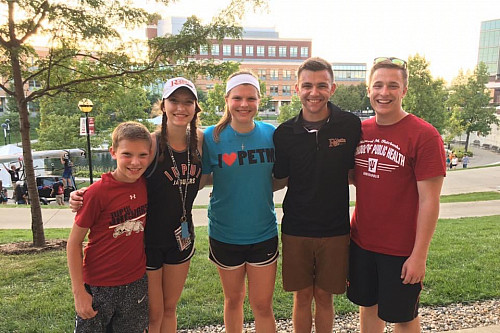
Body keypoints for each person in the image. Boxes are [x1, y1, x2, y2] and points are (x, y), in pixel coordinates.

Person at [70, 77, 204, 333]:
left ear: (196, 107)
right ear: (163, 104)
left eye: (188, 102)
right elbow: (125, 174)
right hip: (148, 241)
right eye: (174, 100)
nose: (181, 108)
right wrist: (84, 193)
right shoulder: (150, 144)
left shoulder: (200, 140)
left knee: (170, 308)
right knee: (154, 314)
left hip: (182, 238)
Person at [347, 57, 446, 333]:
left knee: (403, 317)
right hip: (362, 242)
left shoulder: (424, 135)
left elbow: (430, 200)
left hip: (402, 250)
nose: (384, 92)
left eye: (393, 85)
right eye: (377, 85)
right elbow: (357, 176)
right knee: (368, 306)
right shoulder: (360, 131)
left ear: (404, 90)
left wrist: (419, 255)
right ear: (369, 90)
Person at [273, 57, 361, 333]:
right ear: (296, 89)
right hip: (296, 228)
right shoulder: (284, 133)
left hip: (335, 230)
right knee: (301, 298)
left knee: (324, 297)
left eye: (322, 86)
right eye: (307, 86)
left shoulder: (350, 125)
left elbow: (355, 171)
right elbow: (280, 178)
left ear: (332, 88)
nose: (314, 93)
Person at [202, 71, 278, 332]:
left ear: (259, 100)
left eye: (250, 98)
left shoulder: (272, 134)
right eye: (237, 98)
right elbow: (197, 179)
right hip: (225, 234)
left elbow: (281, 177)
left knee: (262, 306)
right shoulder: (211, 138)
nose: (243, 104)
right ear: (226, 99)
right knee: (234, 300)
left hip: (263, 232)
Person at [66, 121, 152, 332]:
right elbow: (73, 243)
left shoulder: (145, 184)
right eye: (127, 154)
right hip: (98, 286)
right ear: (113, 152)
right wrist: (79, 292)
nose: (135, 162)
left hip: (135, 282)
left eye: (142, 155)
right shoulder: (97, 193)